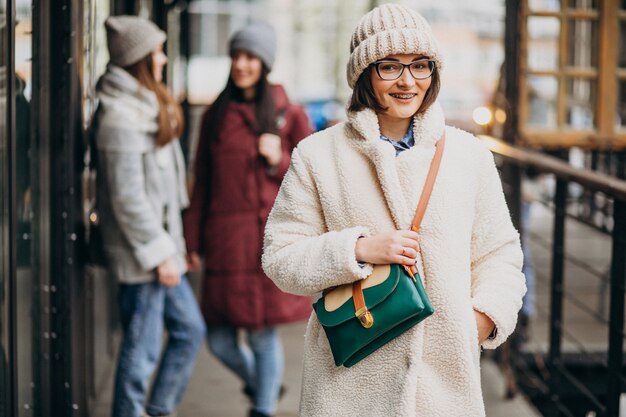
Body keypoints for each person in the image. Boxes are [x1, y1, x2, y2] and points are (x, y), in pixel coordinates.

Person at [261, 4, 527, 416]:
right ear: (364, 72)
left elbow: (501, 254)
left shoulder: (468, 156)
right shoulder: (317, 155)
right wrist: (357, 250)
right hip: (346, 389)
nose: (407, 81)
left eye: (421, 66)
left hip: (444, 390)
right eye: (390, 67)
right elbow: (280, 257)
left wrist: (481, 320)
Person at [183, 22, 313, 417]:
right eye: (236, 56)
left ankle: (262, 408)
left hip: (262, 242)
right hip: (223, 242)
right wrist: (191, 243)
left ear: (264, 63)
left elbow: (312, 179)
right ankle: (264, 387)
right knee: (219, 339)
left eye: (250, 57)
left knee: (261, 335)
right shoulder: (214, 115)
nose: (241, 64)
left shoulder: (288, 115)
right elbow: (201, 182)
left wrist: (279, 159)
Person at [94, 15, 205, 417]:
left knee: (190, 331)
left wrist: (176, 248)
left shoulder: (144, 103)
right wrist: (161, 255)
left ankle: (157, 411)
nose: (162, 59)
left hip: (164, 250)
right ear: (139, 58)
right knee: (140, 354)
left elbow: (162, 193)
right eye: (156, 51)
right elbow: (129, 199)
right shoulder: (120, 117)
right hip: (144, 259)